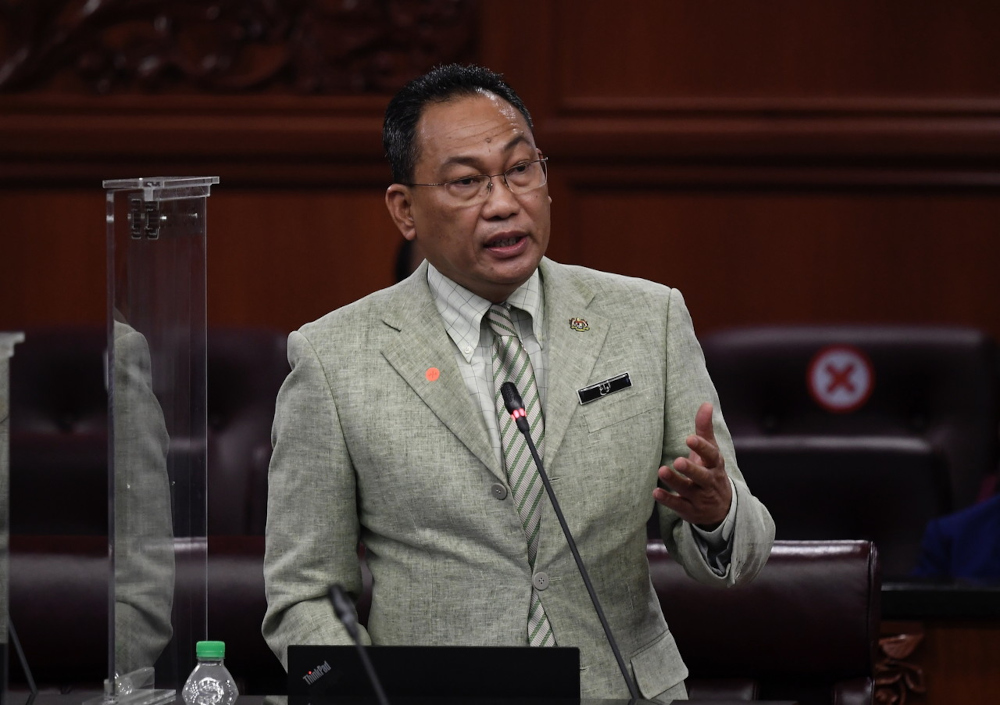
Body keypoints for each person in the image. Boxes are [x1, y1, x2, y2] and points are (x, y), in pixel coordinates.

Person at [263, 64, 775, 702]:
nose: (504, 202)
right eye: (466, 182)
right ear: (405, 210)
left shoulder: (649, 319)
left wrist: (717, 515)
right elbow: (306, 595)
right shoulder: (336, 357)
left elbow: (742, 555)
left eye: (520, 169)